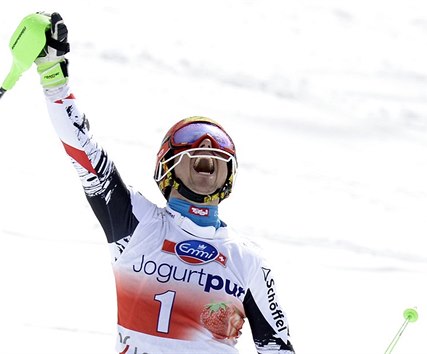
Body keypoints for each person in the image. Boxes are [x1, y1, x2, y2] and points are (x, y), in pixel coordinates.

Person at [31, 12, 295, 354]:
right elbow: (85, 153)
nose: (208, 149)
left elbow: (279, 348)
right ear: (167, 169)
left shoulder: (247, 259)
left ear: (228, 176)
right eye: (193, 145)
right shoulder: (137, 224)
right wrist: (54, 77)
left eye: (218, 151)